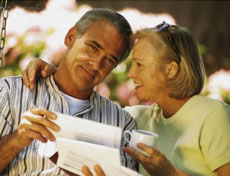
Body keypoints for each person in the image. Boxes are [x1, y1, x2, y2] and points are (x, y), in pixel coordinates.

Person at [24, 21, 230, 176]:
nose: (131, 74)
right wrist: (56, 75)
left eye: (139, 64)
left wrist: (170, 174)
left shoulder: (213, 116)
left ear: (170, 70)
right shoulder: (136, 118)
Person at [0, 8, 138, 175]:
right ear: (70, 37)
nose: (96, 64)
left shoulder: (122, 124)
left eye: (109, 60)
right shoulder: (9, 92)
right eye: (93, 47)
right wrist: (17, 139)